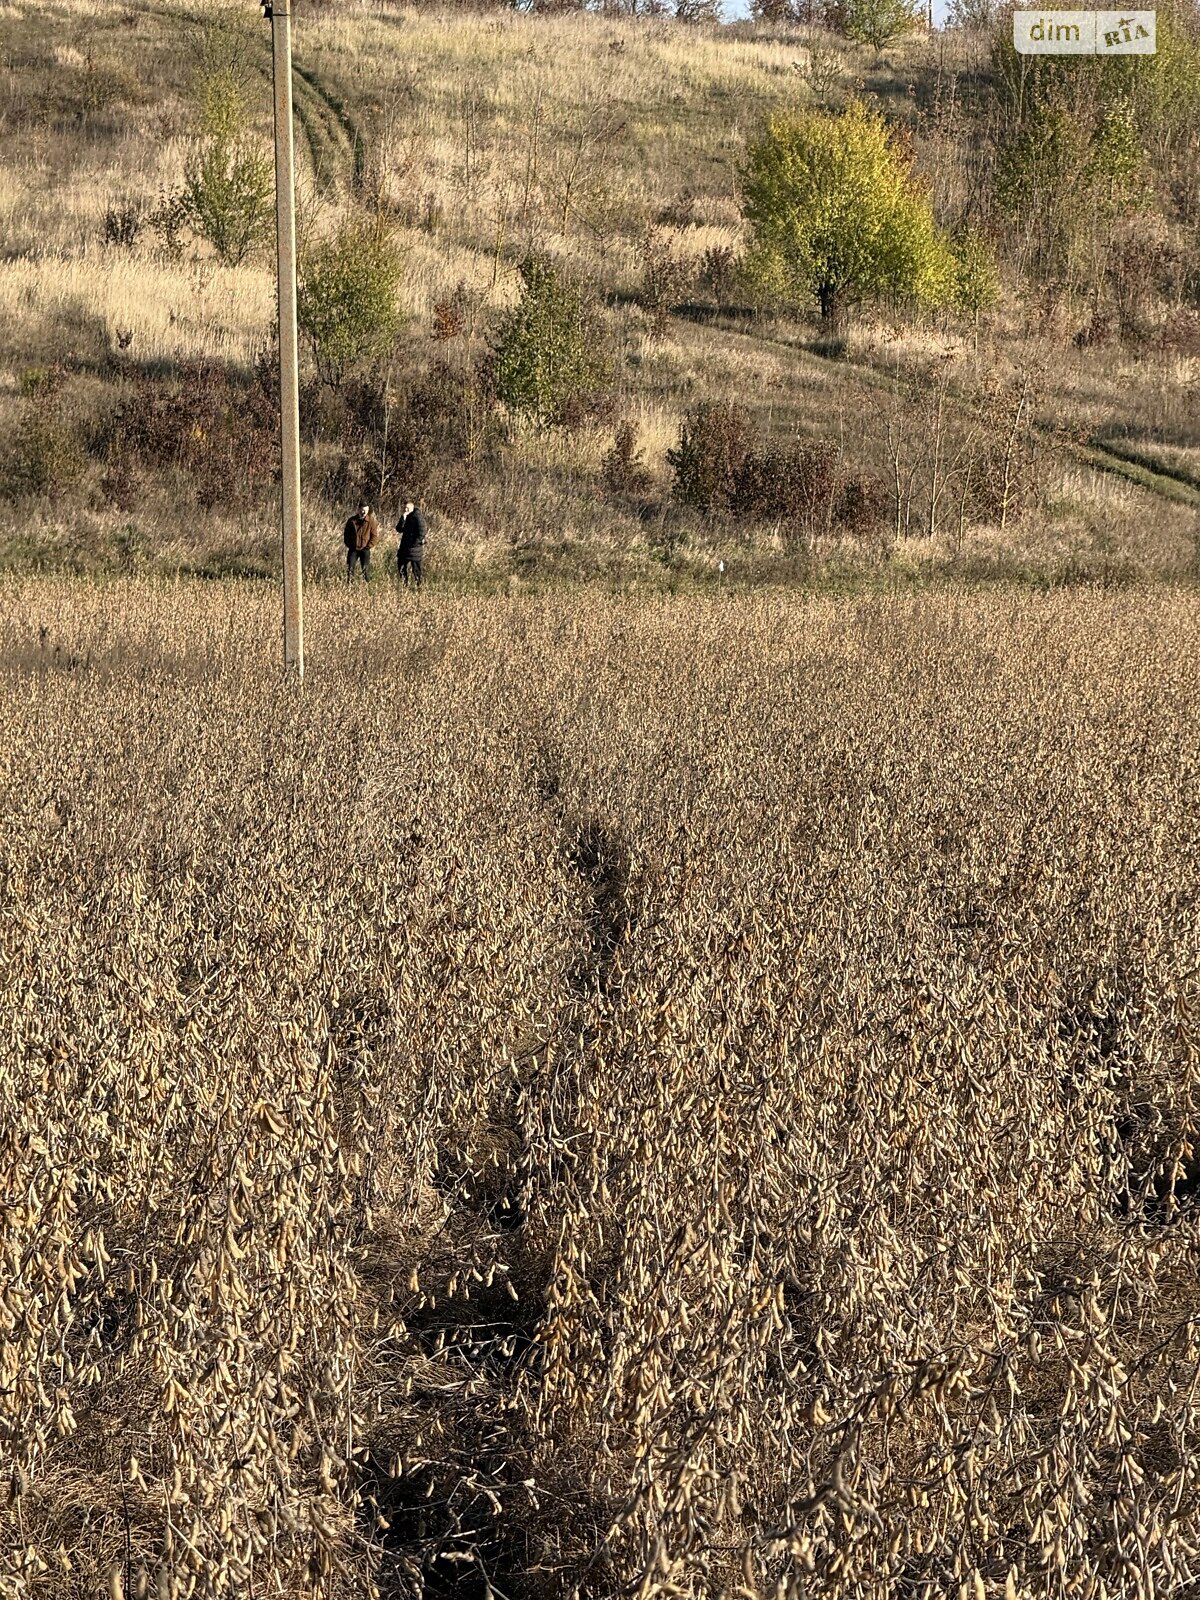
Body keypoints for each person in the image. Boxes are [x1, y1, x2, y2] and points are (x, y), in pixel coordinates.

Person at [396, 501, 427, 589]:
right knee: (401, 566)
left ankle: (419, 587)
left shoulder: (417, 517)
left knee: (416, 570)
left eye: (408, 508)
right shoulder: (405, 517)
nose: (406, 510)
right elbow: (399, 529)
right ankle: (404, 586)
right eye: (404, 508)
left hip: (415, 549)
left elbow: (423, 531)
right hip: (404, 548)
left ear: (412, 508)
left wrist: (415, 543)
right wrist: (403, 518)